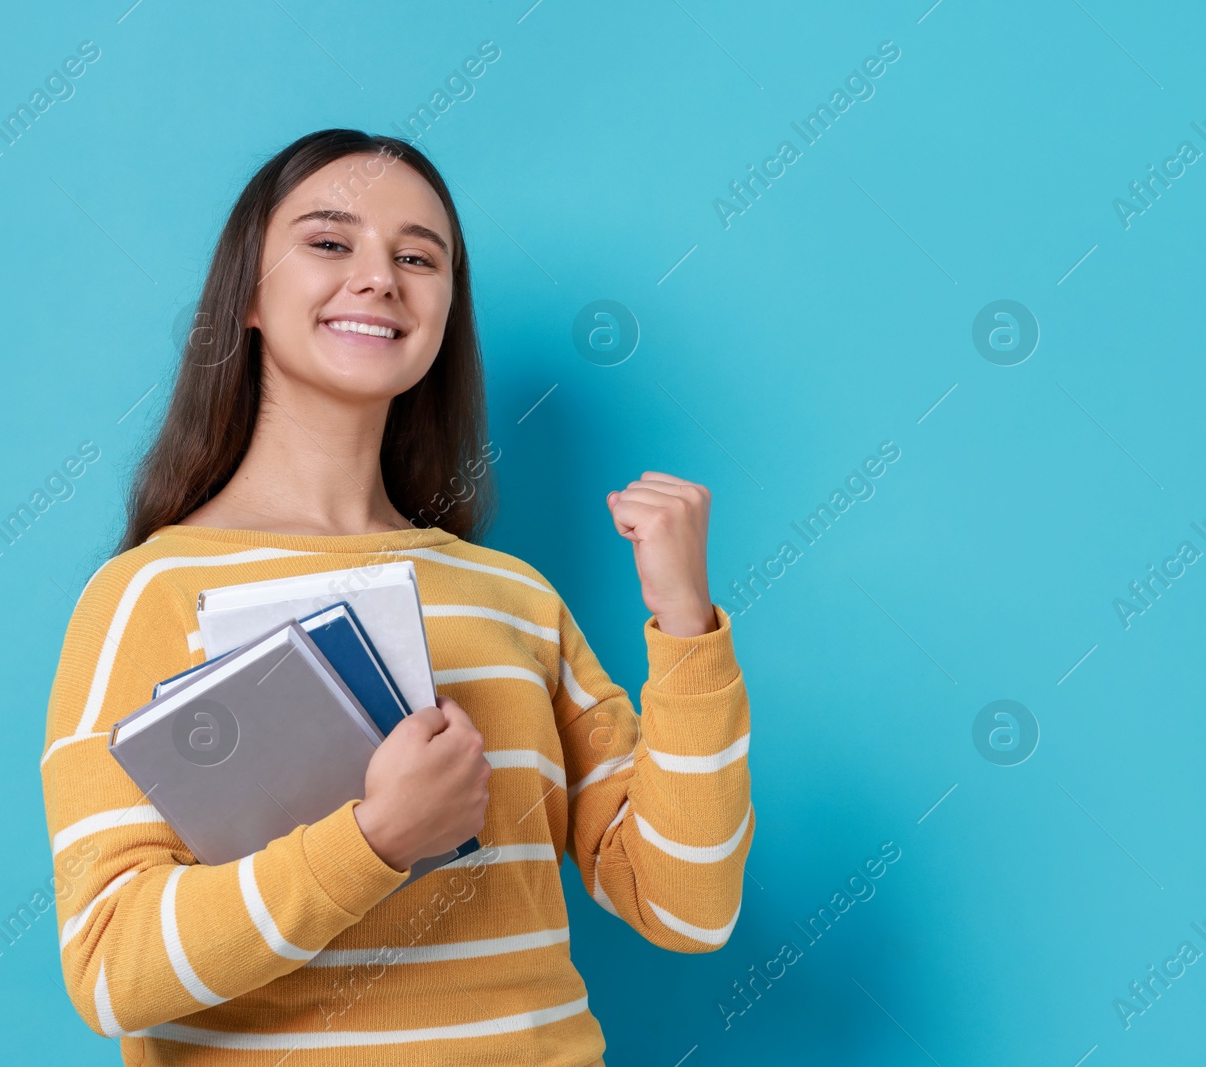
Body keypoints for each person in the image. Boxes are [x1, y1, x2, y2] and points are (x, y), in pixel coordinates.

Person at [40, 128, 753, 1065]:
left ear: (446, 309)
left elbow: (685, 904)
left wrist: (688, 627)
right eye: (331, 242)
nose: (380, 277)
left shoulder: (513, 597)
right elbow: (110, 966)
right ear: (247, 294)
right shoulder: (148, 594)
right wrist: (376, 839)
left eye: (419, 256)